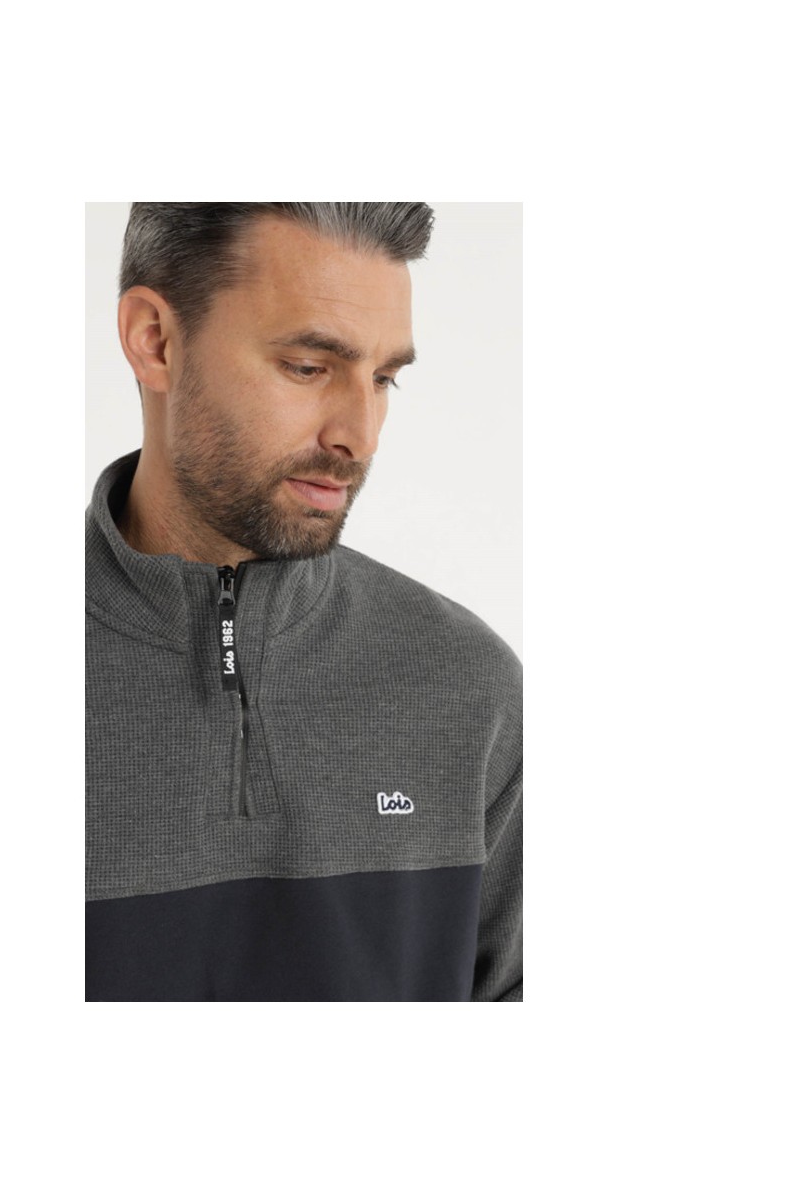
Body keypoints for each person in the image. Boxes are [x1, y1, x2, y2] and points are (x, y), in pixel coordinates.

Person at [85, 202, 522, 1001]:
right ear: (155, 340)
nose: (361, 434)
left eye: (383, 378)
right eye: (309, 367)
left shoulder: (468, 687)